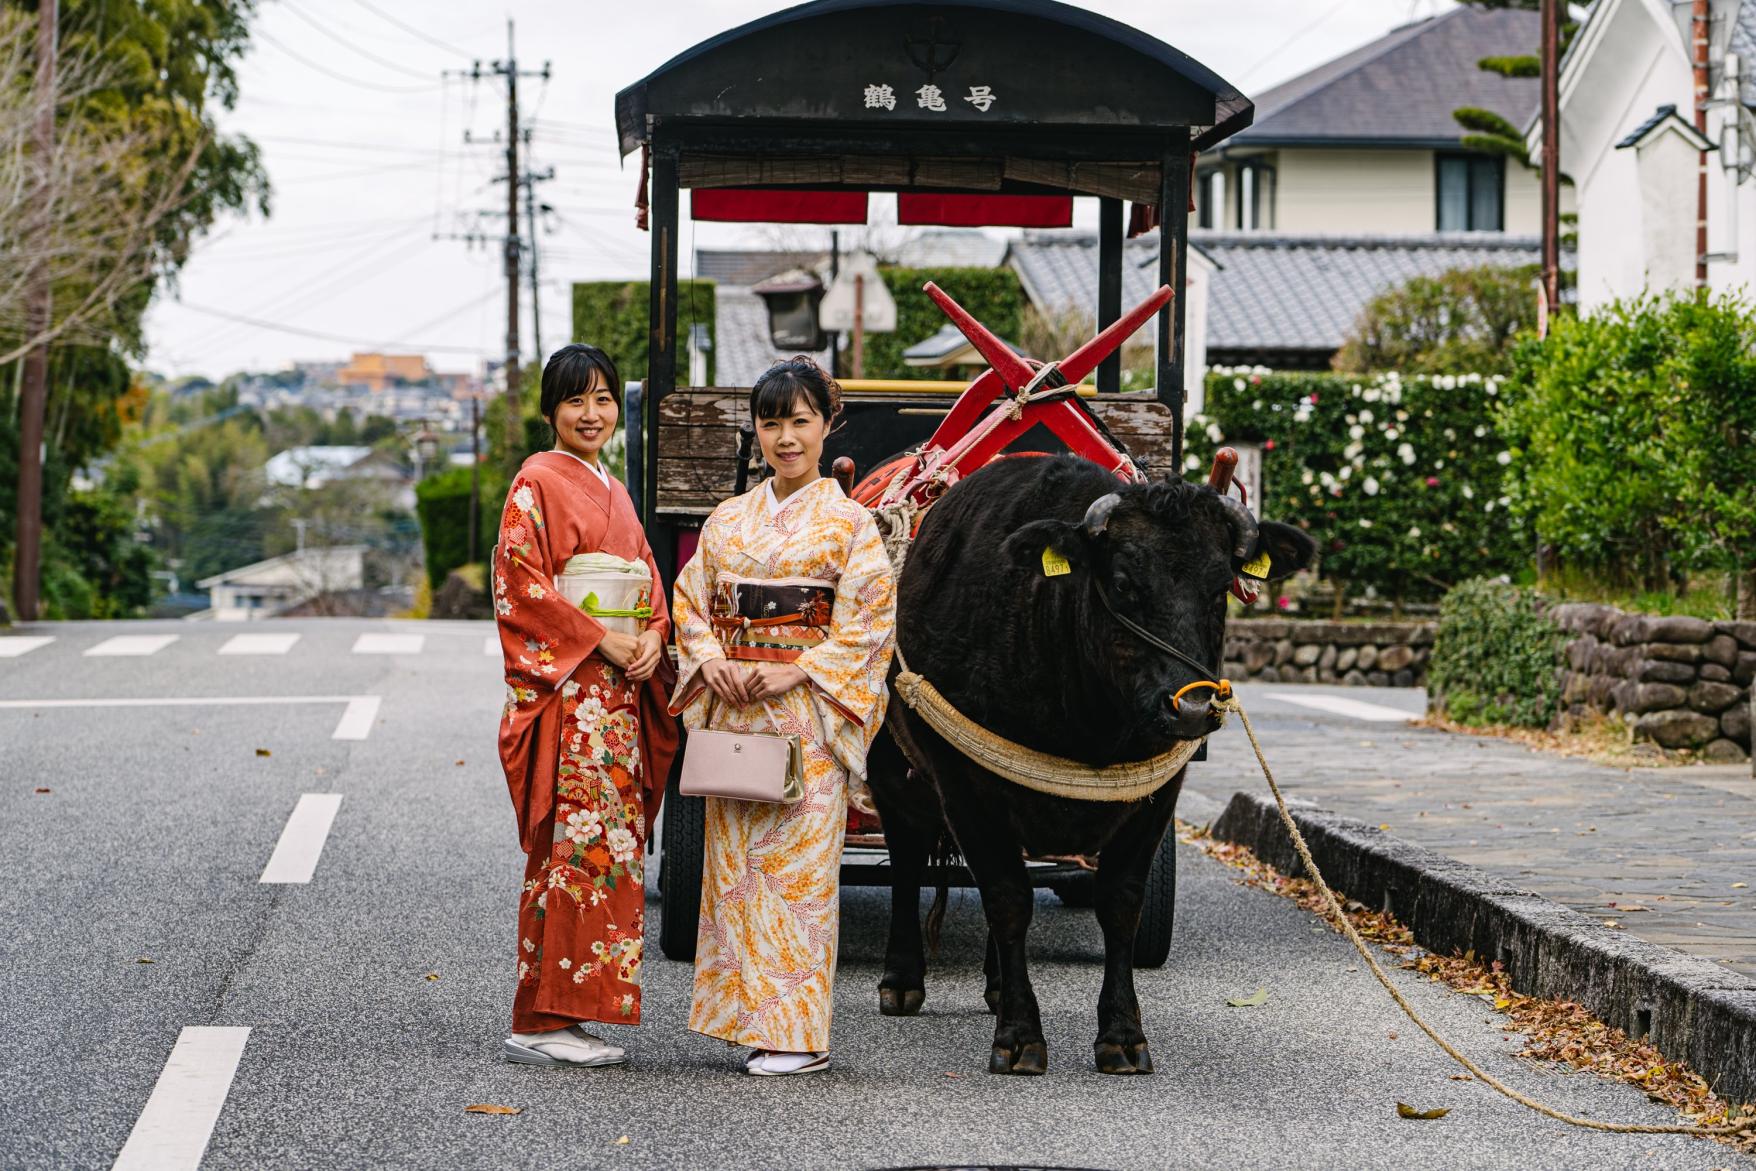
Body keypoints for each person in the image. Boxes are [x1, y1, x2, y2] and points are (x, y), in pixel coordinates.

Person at [670, 356, 897, 1077]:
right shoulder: (730, 518)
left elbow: (869, 623)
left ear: (827, 426)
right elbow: (690, 601)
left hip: (806, 712)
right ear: (757, 431)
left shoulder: (850, 524)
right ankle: (748, 1020)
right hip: (738, 710)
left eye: (800, 421)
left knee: (796, 875)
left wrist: (797, 665)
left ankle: (800, 1033)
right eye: (772, 423)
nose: (786, 437)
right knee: (737, 870)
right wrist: (712, 661)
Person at [492, 343, 678, 1068]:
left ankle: (561, 1014)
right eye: (575, 400)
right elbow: (523, 590)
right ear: (550, 412)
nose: (592, 413)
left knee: (609, 854)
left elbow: (649, 579)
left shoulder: (615, 488)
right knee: (570, 857)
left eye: (603, 398)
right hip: (572, 701)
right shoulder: (535, 482)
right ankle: (541, 1020)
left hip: (621, 698)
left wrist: (655, 635)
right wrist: (602, 639)